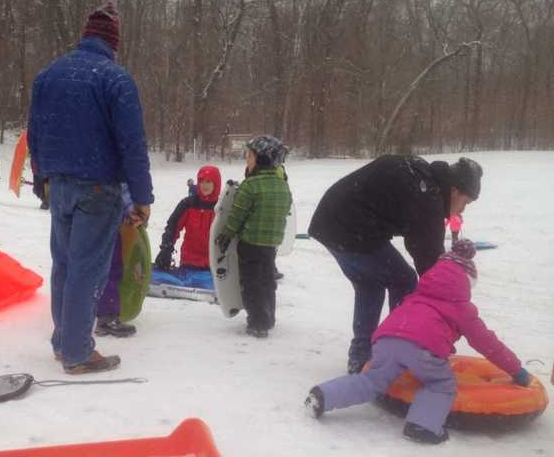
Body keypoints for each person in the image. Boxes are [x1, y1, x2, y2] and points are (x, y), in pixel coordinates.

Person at [28, 2, 154, 374]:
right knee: (87, 269)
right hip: (98, 188)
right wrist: (143, 197)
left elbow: (34, 133)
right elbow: (133, 144)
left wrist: (42, 177)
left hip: (59, 185)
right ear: (113, 42)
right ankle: (78, 352)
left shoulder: (48, 74)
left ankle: (62, 340)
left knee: (64, 265)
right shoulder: (115, 78)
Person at [304, 239, 531, 444]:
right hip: (423, 349)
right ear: (466, 282)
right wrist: (516, 370)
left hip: (385, 340)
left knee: (372, 379)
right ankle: (421, 426)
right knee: (441, 385)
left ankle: (323, 395)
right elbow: (488, 344)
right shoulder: (461, 308)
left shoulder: (416, 295)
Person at [308, 155, 483, 374]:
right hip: (351, 230)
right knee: (404, 281)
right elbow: (433, 271)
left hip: (329, 222)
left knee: (369, 285)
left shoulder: (423, 178)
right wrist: (446, 322)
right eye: (466, 202)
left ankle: (361, 357)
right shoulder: (428, 197)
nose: (463, 210)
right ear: (455, 190)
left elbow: (422, 247)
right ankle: (401, 347)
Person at [215, 136, 292, 338]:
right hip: (270, 244)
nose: (246, 160)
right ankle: (269, 316)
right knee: (267, 281)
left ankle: (257, 323)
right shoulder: (282, 185)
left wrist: (226, 235)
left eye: (249, 156)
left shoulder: (251, 185)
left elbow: (237, 215)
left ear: (262, 159)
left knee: (251, 283)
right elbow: (285, 210)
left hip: (249, 244)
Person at [154, 166, 221, 271]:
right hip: (189, 261)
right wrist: (166, 248)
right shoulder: (188, 204)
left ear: (216, 183)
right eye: (201, 181)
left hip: (215, 264)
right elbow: (173, 226)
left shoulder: (221, 208)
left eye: (208, 181)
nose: (204, 185)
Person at [95, 184, 136, 338]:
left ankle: (70, 316)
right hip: (106, 215)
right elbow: (122, 185)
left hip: (78, 209)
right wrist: (132, 210)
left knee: (78, 266)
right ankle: (107, 317)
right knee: (111, 267)